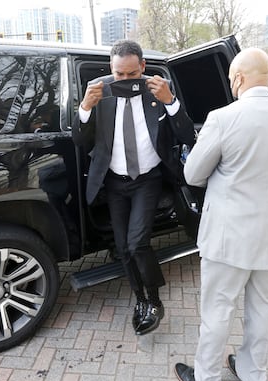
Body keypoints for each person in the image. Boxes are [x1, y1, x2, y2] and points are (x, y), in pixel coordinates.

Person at [174, 48, 268, 381]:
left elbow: (193, 174)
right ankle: (254, 376)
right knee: (262, 307)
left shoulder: (223, 118)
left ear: (238, 78)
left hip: (229, 237)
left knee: (217, 308)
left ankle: (208, 380)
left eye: (230, 80)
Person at [72, 40, 196, 336]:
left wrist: (171, 102)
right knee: (122, 247)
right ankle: (140, 299)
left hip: (148, 179)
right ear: (111, 69)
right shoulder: (100, 92)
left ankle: (154, 301)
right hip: (115, 182)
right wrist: (85, 108)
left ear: (142, 66)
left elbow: (186, 134)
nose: (125, 80)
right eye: (119, 74)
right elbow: (80, 141)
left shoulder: (158, 91)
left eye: (131, 73)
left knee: (137, 243)